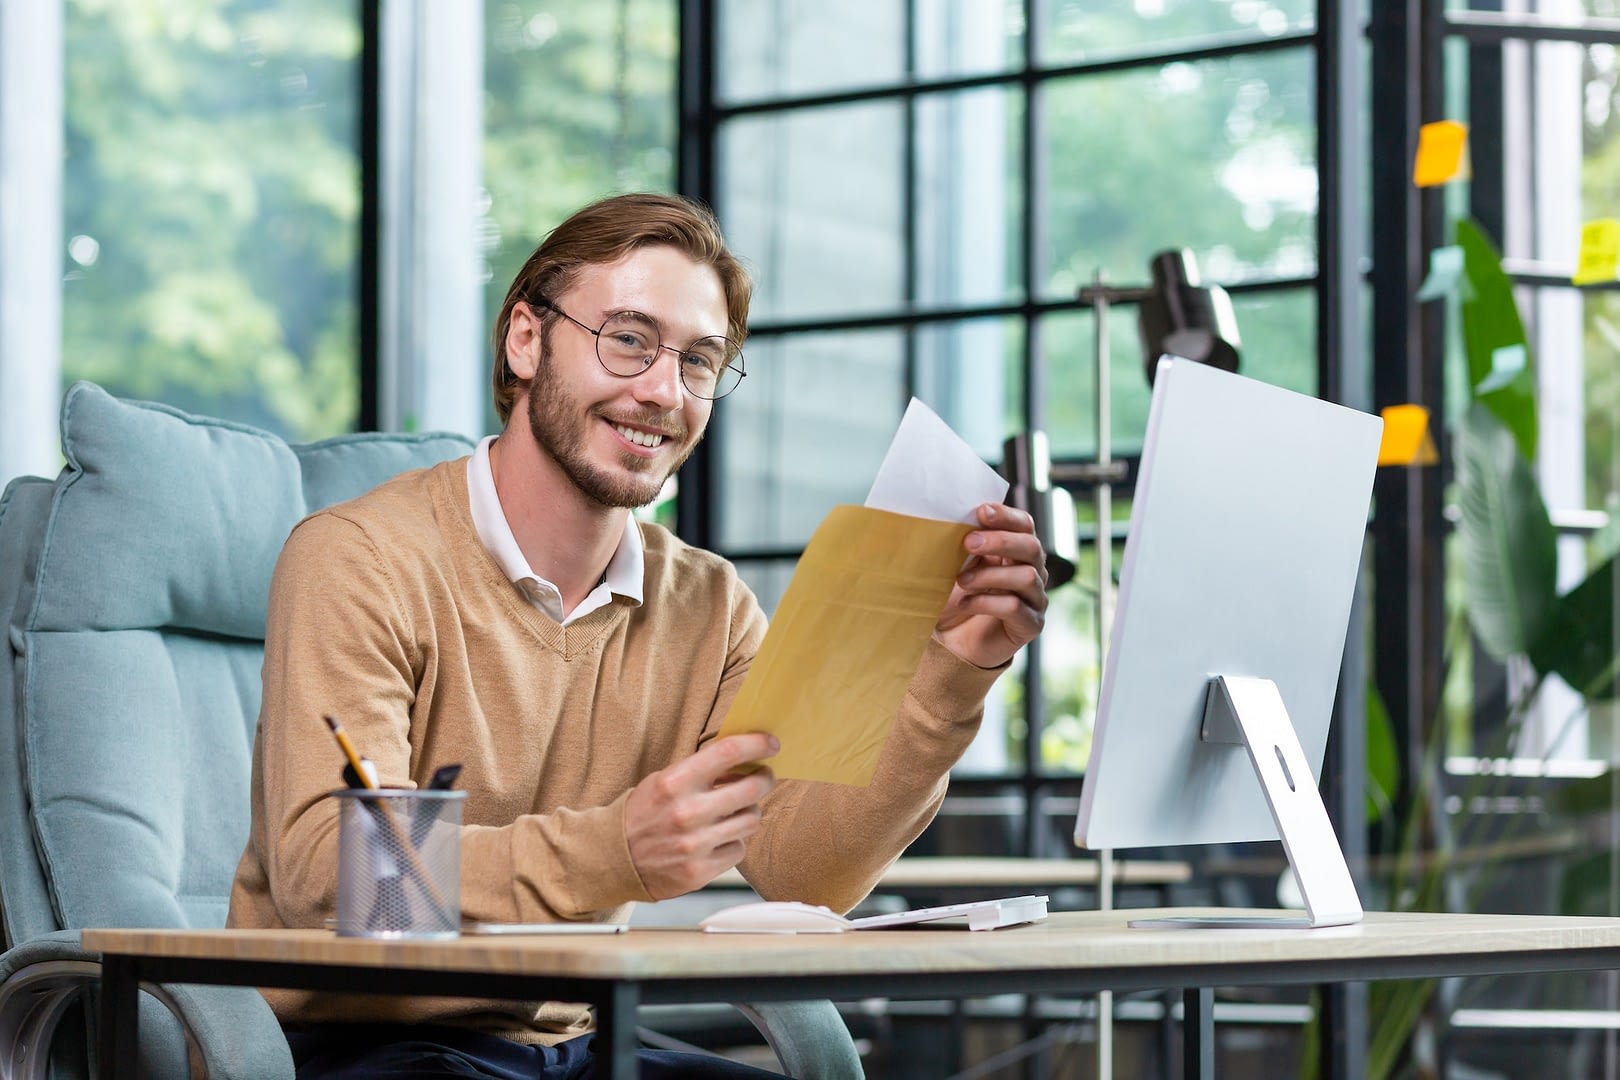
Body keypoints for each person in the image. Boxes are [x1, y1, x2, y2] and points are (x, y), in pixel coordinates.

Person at [226, 192, 1050, 1078]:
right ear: (525, 339)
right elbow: (341, 881)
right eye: (628, 339)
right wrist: (617, 849)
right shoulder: (360, 560)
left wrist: (953, 673)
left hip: (575, 1046)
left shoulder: (707, 601)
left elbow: (802, 872)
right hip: (355, 1047)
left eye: (700, 360)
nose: (663, 390)